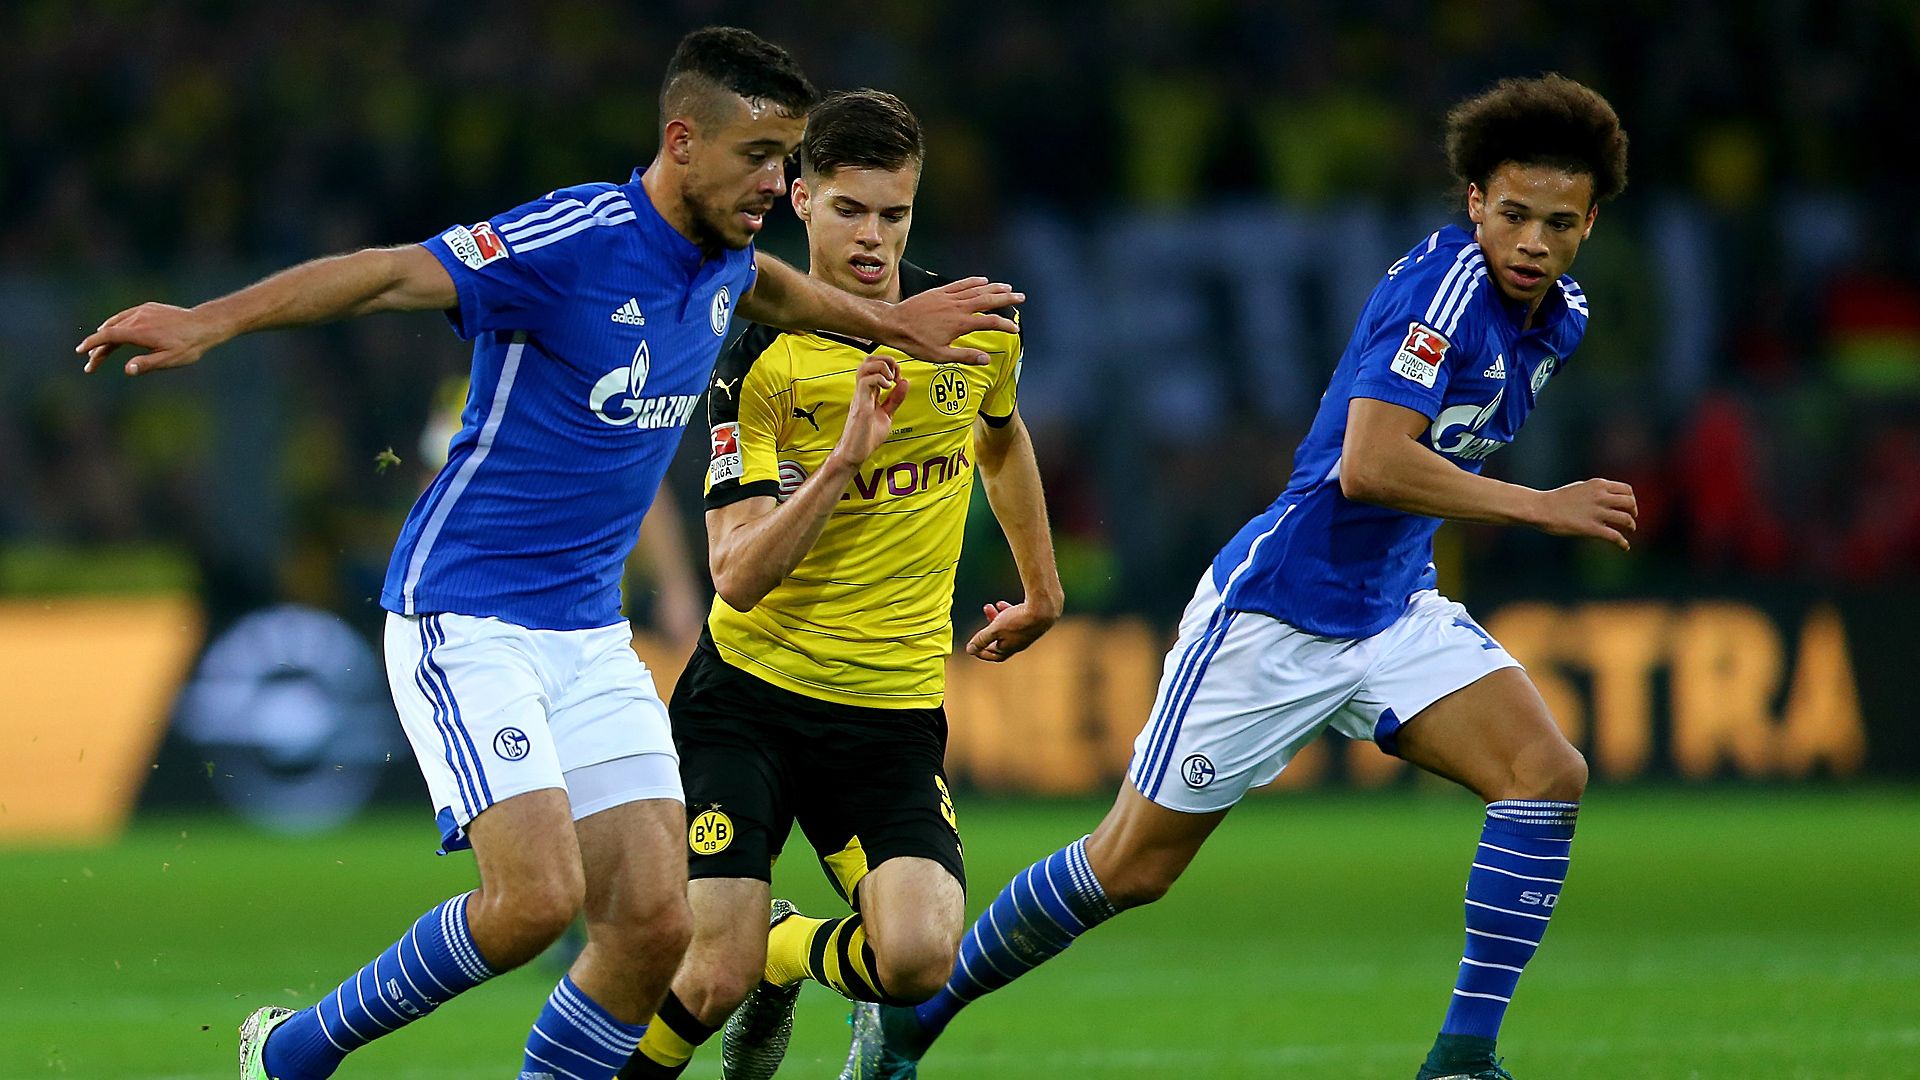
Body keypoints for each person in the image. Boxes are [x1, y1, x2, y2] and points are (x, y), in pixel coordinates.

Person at [76, 27, 1019, 1080]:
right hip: (465, 611)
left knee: (655, 928)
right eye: (760, 157)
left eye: (788, 160)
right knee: (531, 903)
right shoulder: (575, 238)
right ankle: (292, 1053)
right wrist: (210, 321)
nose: (777, 183)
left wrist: (892, 325)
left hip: (586, 633)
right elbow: (390, 275)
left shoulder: (725, 261)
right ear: (683, 142)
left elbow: (768, 290)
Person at [840, 73, 1631, 1080]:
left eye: (1557, 223)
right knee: (1129, 867)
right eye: (1511, 213)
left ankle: (1462, 1059)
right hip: (1276, 613)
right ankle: (914, 1019)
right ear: (1474, 201)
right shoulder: (1445, 293)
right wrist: (1543, 504)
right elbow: (1370, 463)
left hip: (1390, 610)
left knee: (1546, 776)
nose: (1531, 241)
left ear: (1589, 223)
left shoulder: (1561, 316)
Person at [617, 90, 1061, 1080]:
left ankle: (788, 953)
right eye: (851, 211)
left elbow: (1000, 436)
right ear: (801, 201)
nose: (874, 238)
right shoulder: (758, 355)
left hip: (889, 715)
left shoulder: (974, 329)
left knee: (916, 960)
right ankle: (743, 965)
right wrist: (848, 456)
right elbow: (736, 576)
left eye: (894, 214)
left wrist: (1042, 588)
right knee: (707, 973)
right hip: (751, 705)